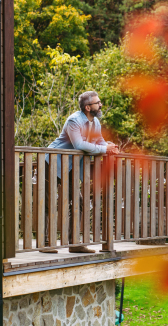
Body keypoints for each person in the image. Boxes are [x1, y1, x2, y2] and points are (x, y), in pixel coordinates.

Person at [46, 91, 119, 253]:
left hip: (71, 166)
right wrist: (104, 148)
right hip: (53, 161)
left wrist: (109, 147)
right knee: (49, 201)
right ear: (87, 107)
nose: (100, 105)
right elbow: (79, 145)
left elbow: (99, 141)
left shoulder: (96, 123)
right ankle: (46, 243)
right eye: (97, 103)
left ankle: (74, 244)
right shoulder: (74, 121)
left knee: (78, 201)